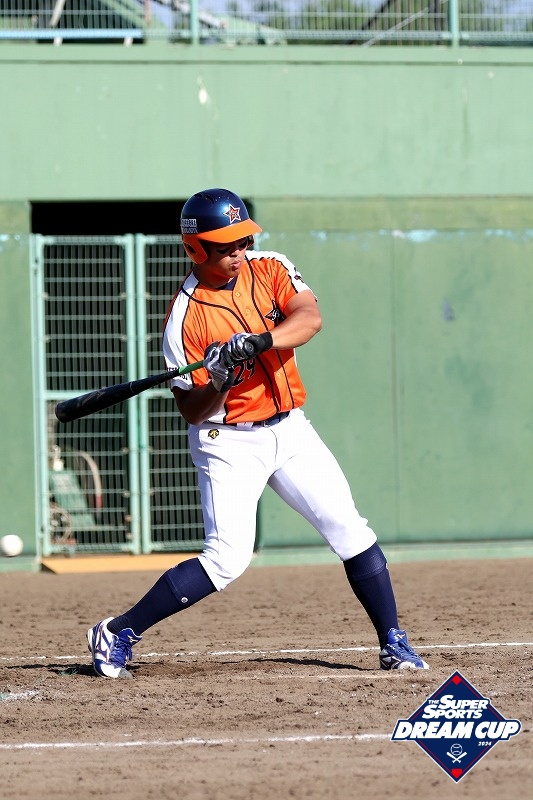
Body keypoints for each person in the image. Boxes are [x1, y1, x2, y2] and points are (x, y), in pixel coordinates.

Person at [87, 188, 429, 678]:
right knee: (226, 560)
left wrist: (260, 341)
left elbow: (309, 318)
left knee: (350, 529)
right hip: (228, 441)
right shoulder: (184, 319)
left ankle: (393, 642)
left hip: (290, 429)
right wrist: (220, 380)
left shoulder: (269, 266)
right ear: (195, 248)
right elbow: (192, 411)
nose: (238, 252)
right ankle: (118, 630)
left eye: (242, 240)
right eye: (224, 246)